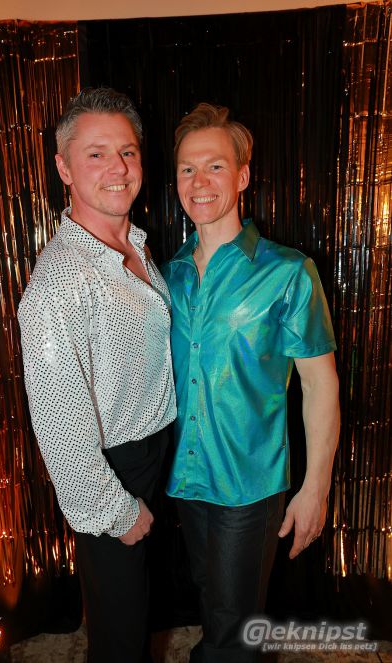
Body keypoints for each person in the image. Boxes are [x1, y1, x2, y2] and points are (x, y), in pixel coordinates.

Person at [161, 103, 340, 662]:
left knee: (233, 636)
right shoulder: (168, 275)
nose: (199, 181)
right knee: (216, 609)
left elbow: (321, 387)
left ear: (242, 176)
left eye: (215, 166)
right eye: (188, 169)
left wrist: (315, 489)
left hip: (249, 486)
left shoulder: (288, 272)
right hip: (187, 480)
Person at [18, 87, 176, 663]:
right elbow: (59, 424)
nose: (118, 168)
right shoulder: (60, 281)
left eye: (128, 152)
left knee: (140, 616)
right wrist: (115, 510)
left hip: (155, 453)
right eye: (96, 154)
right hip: (112, 472)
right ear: (64, 168)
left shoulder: (134, 244)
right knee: (120, 639)